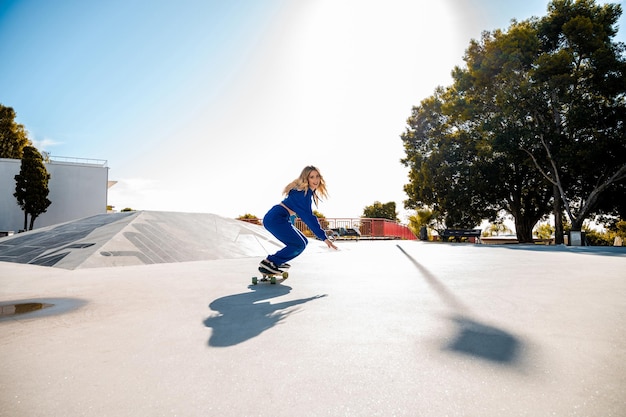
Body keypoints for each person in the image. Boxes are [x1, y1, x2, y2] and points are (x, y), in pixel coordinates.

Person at [259, 165, 338, 274]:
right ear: (306, 179)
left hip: (279, 217)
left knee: (303, 241)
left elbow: (295, 211)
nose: (315, 180)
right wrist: (323, 237)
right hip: (275, 219)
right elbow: (309, 218)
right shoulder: (303, 195)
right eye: (312, 177)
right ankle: (270, 262)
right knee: (298, 244)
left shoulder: (302, 192)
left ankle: (275, 261)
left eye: (317, 176)